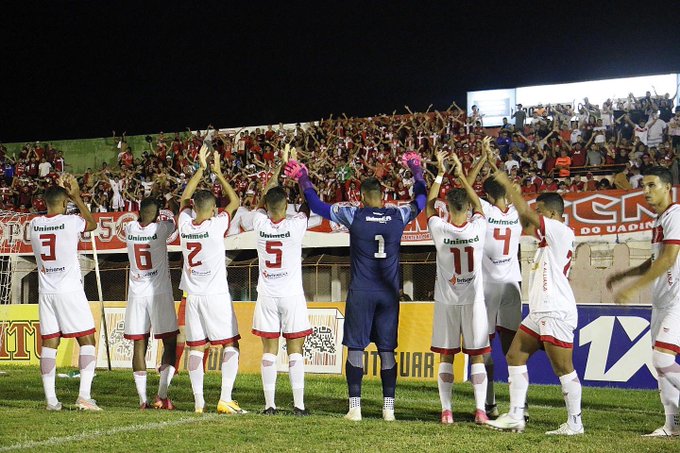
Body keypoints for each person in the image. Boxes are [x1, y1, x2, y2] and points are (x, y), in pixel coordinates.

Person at [285, 150, 426, 422]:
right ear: (383, 196)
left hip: (362, 292)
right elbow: (421, 199)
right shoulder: (398, 215)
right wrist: (416, 170)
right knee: (387, 350)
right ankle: (389, 408)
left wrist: (303, 178)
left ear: (361, 197)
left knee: (356, 348)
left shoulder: (353, 215)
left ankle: (355, 407)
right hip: (388, 295)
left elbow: (316, 205)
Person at [486, 171, 584, 436]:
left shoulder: (561, 230)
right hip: (539, 311)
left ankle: (575, 423)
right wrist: (516, 200)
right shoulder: (548, 238)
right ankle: (516, 415)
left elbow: (528, 217)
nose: (535, 215)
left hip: (555, 310)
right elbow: (525, 221)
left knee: (563, 368)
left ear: (552, 214)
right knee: (514, 355)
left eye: (540, 211)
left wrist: (508, 186)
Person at [606, 166, 680, 437]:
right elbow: (654, 259)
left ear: (667, 188)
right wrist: (625, 275)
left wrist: (633, 288)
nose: (646, 191)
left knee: (662, 359)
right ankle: (672, 426)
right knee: (660, 365)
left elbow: (669, 258)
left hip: (677, 300)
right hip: (661, 301)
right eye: (643, 186)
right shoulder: (659, 221)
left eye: (652, 185)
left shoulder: (676, 215)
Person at [177, 145, 243, 414]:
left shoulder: (183, 225)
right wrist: (218, 172)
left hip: (192, 298)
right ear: (214, 209)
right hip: (215, 296)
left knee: (196, 348)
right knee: (231, 343)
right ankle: (225, 398)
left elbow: (183, 200)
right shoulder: (216, 226)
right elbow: (236, 201)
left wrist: (200, 170)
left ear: (193, 209)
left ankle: (198, 402)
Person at [427, 148, 490, 425]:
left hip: (446, 301)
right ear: (466, 208)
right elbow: (479, 206)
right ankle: (480, 411)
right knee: (477, 356)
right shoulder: (477, 228)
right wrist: (463, 177)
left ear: (448, 209)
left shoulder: (440, 229)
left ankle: (447, 411)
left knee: (446, 355)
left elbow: (429, 206)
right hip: (473, 301)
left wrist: (440, 173)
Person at [248, 149, 312, 416]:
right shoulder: (296, 225)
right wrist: (298, 171)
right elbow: (308, 202)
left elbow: (266, 195)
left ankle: (270, 405)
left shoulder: (259, 222)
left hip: (267, 295)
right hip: (291, 295)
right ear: (286, 206)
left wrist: (277, 168)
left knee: (269, 350)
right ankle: (299, 405)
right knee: (295, 349)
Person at [30, 175, 100, 411]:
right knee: (87, 339)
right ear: (63, 204)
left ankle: (51, 401)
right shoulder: (70, 221)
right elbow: (91, 224)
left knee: (49, 342)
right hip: (69, 289)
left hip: (46, 291)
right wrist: (77, 196)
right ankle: (84, 397)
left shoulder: (34, 224)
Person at [466, 140, 523, 418]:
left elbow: (467, 186)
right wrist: (493, 162)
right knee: (514, 350)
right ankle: (519, 408)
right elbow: (507, 187)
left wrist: (482, 159)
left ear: (486, 197)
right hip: (512, 286)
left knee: (485, 346)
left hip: (487, 288)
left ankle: (489, 403)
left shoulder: (485, 212)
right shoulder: (516, 213)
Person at [123, 197, 179, 410]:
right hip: (159, 292)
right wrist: (172, 206)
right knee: (171, 342)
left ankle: (142, 400)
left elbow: (139, 221)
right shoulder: (161, 228)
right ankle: (162, 395)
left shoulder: (129, 229)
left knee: (139, 344)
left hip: (137, 294)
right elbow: (175, 221)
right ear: (157, 216)